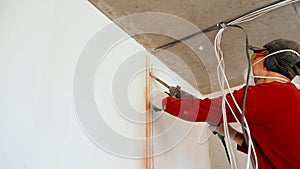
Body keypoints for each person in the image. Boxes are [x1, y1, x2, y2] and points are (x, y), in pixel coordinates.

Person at [154, 39, 300, 169]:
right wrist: (230, 133)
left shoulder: (266, 94)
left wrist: (161, 100)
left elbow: (200, 110)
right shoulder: (291, 96)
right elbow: (271, 148)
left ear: (266, 60)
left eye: (255, 56)